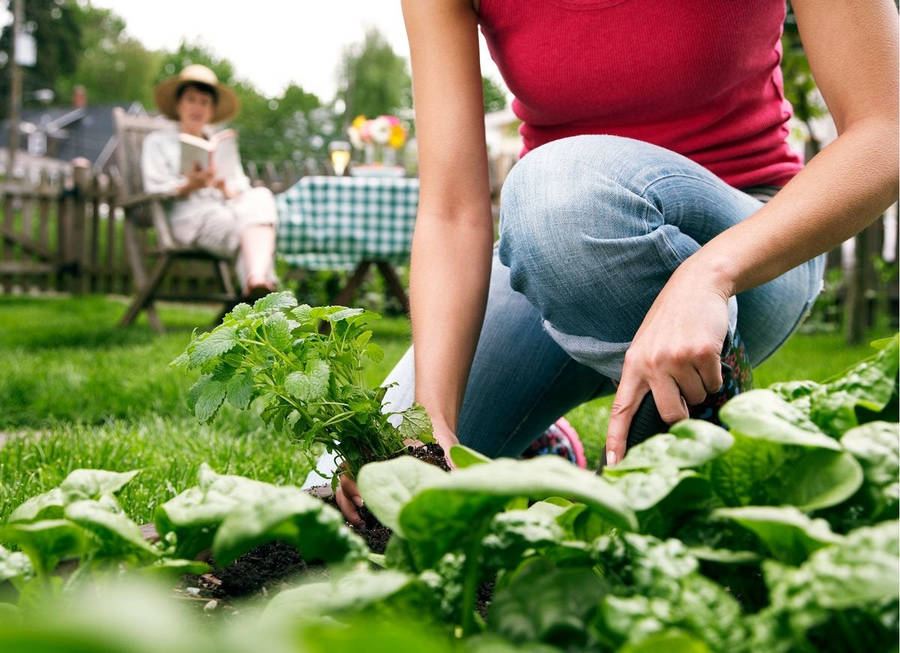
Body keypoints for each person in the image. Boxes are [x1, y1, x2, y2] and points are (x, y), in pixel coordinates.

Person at [335, 1, 898, 522]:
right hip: (551, 243)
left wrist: (708, 274)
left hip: (751, 242)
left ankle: (698, 467)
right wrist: (432, 425)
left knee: (560, 191)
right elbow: (452, 211)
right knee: (372, 495)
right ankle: (542, 451)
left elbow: (886, 129)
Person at [142, 64, 278, 299]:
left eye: (204, 102)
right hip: (190, 218)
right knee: (256, 232)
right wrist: (189, 185)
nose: (197, 107)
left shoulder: (220, 145)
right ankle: (260, 288)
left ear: (212, 109)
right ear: (178, 104)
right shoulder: (157, 143)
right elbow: (154, 187)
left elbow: (241, 188)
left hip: (227, 209)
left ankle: (256, 281)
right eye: (191, 99)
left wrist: (224, 186)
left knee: (262, 195)